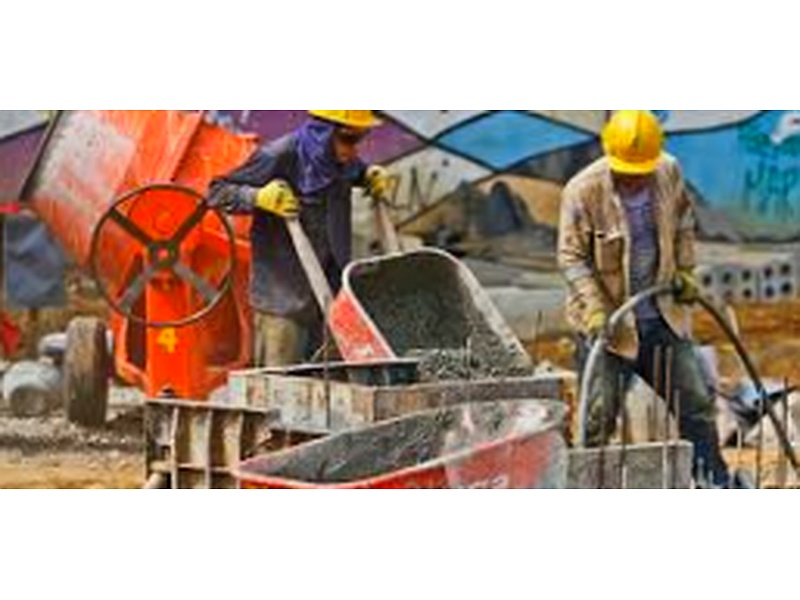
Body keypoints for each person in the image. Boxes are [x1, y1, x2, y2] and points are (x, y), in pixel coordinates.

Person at [558, 110, 736, 488]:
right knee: (596, 422)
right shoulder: (583, 190)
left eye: (641, 171)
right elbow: (571, 258)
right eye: (626, 171)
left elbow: (684, 223)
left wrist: (685, 270)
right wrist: (595, 309)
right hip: (609, 330)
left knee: (696, 408)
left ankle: (714, 483)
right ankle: (587, 490)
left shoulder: (668, 172)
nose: (635, 178)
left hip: (661, 319)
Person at [209, 110, 390, 368]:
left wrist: (367, 175)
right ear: (322, 132)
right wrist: (257, 197)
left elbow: (353, 171)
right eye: (349, 139)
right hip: (284, 299)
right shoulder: (278, 156)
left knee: (331, 381)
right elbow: (217, 192)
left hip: (329, 296)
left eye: (361, 139)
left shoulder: (340, 158)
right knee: (279, 384)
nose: (353, 150)